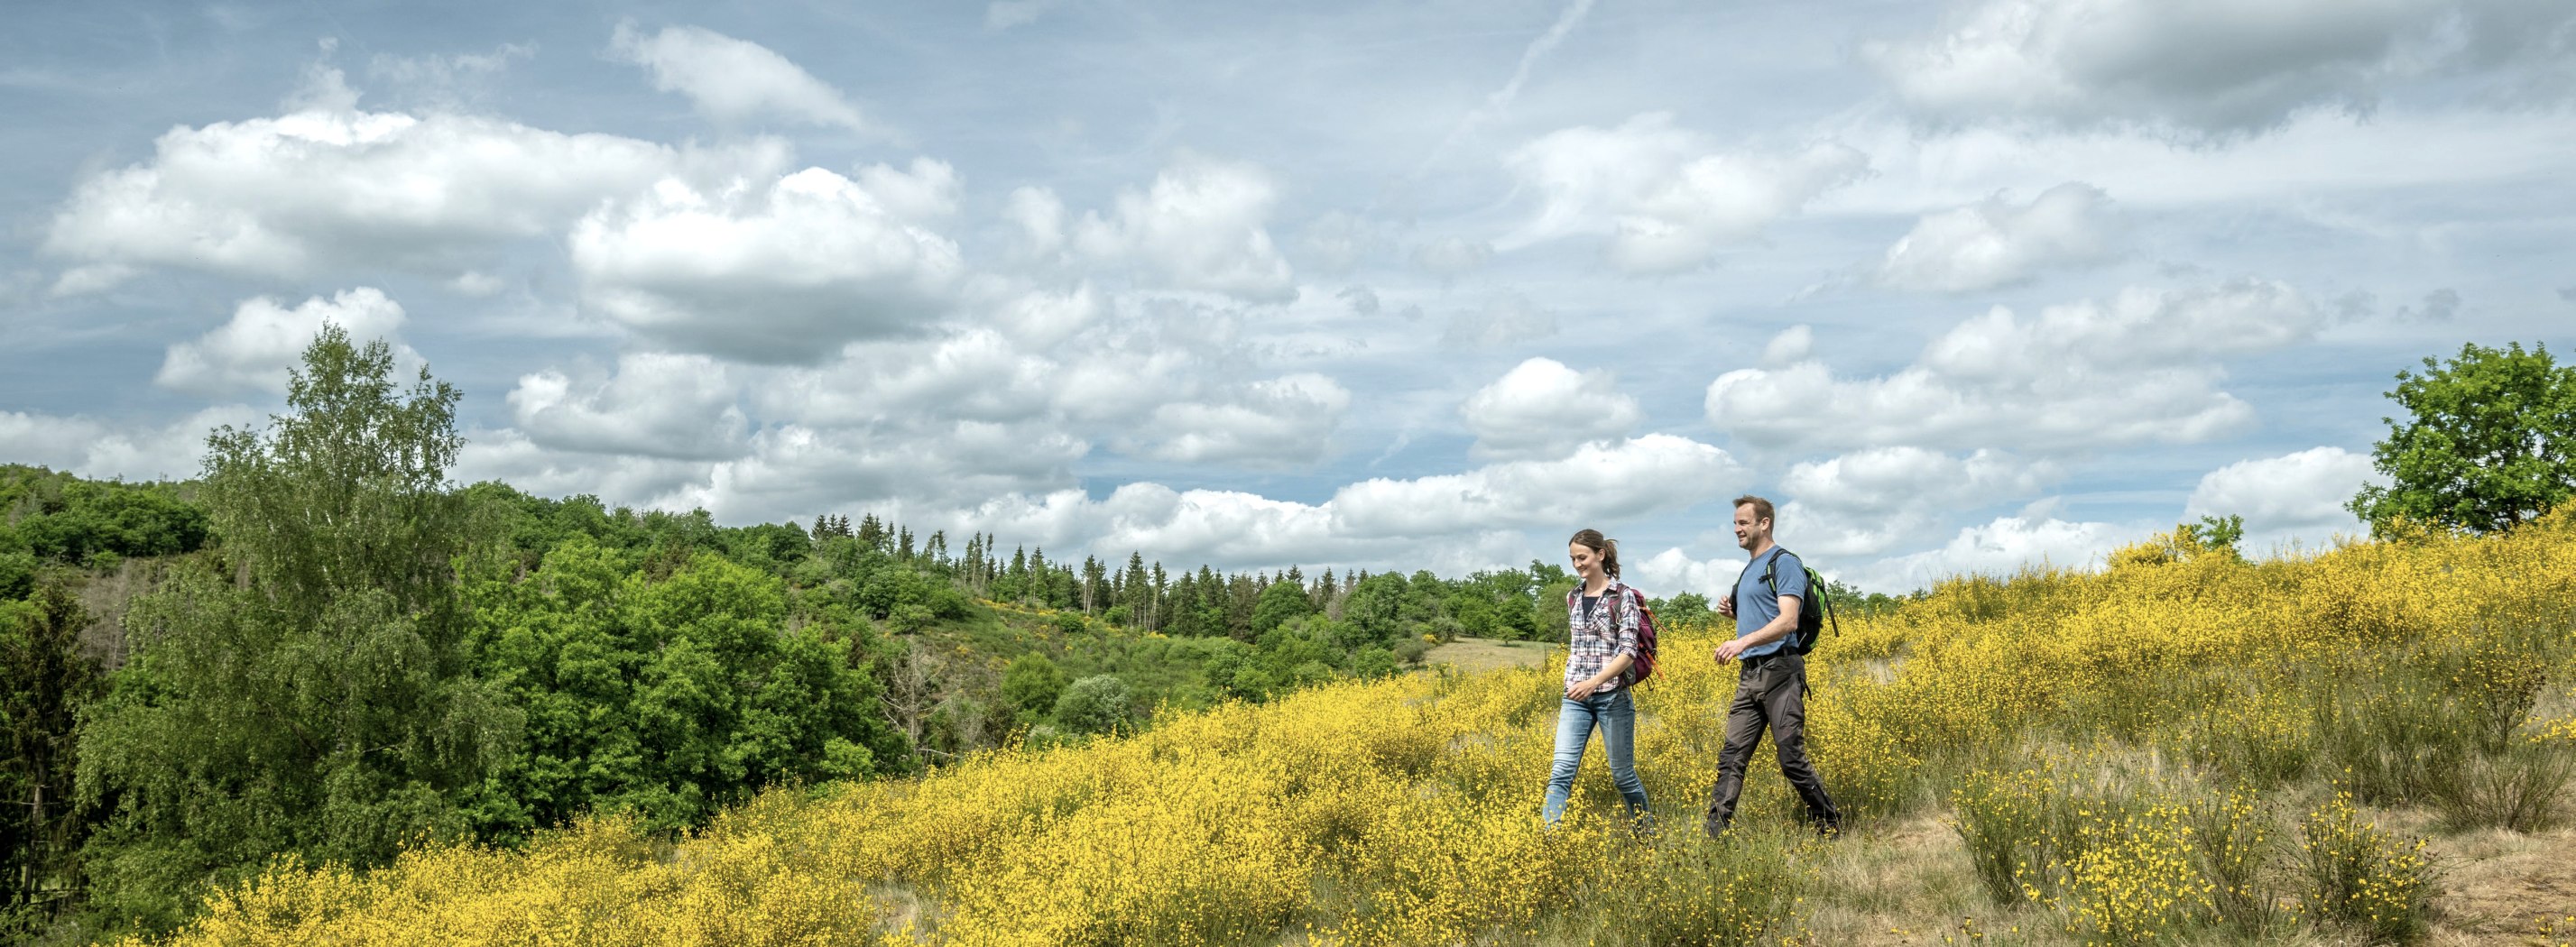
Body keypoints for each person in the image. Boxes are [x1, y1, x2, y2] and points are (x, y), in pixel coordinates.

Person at [1705, 495, 1841, 837]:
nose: (1736, 529)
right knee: (1731, 758)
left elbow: (1788, 621)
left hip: (1781, 672)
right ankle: (1714, 837)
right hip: (1749, 675)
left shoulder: (1784, 562)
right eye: (1735, 523)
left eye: (1743, 523)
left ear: (1764, 523)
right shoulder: (1750, 569)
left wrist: (1741, 643)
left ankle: (1831, 825)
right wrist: (1733, 614)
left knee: (1791, 758)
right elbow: (1763, 616)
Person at [1542, 529, 1651, 826]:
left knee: (1623, 776)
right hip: (1574, 697)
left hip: (1612, 697)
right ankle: (1547, 841)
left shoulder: (1622, 596)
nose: (1577, 564)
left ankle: (1647, 834)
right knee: (1560, 772)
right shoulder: (1573, 597)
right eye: (1573, 559)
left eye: (1582, 557)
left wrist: (1593, 683)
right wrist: (1577, 682)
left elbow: (1628, 652)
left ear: (1600, 555)